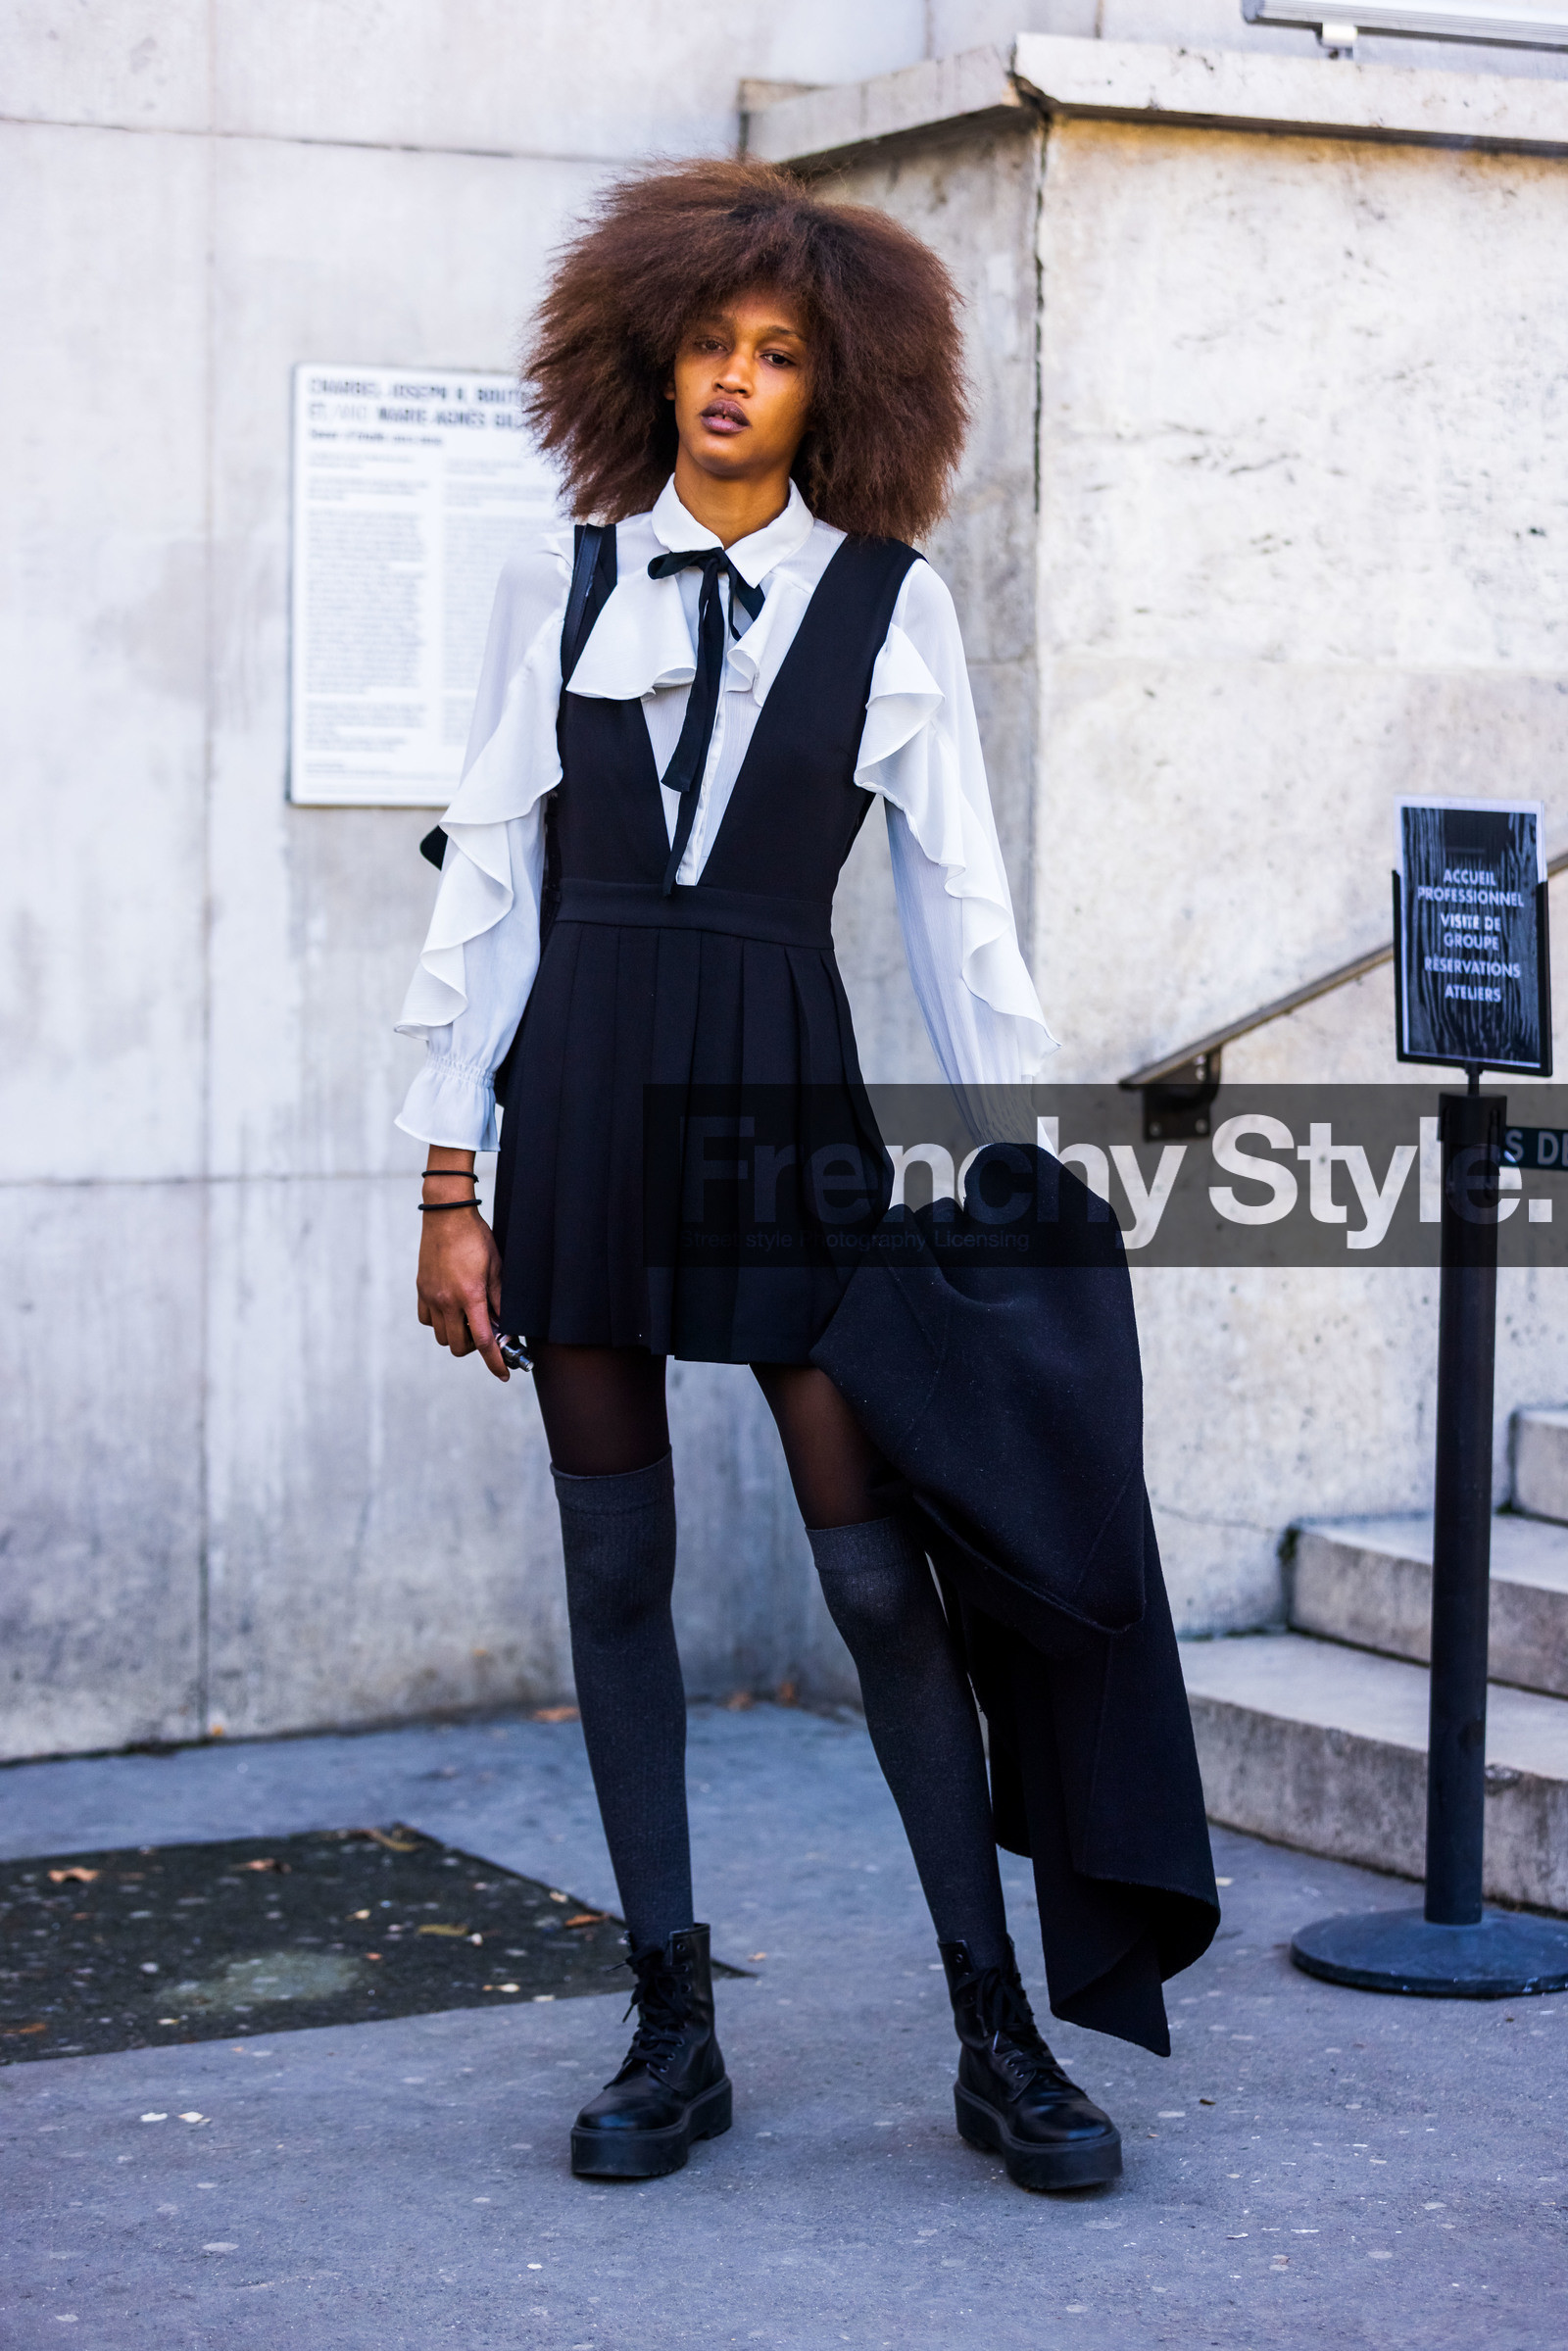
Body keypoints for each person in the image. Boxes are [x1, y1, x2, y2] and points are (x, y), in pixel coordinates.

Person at [395, 157, 1123, 2190]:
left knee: (879, 1578)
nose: (732, 382)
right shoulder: (552, 587)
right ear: (650, 359)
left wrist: (1023, 1178)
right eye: (707, 345)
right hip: (588, 1103)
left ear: (837, 390)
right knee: (612, 1569)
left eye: (777, 354)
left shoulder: (892, 612)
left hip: (784, 1109)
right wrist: (449, 1187)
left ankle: (995, 2036)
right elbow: (490, 897)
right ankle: (669, 2022)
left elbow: (962, 915)